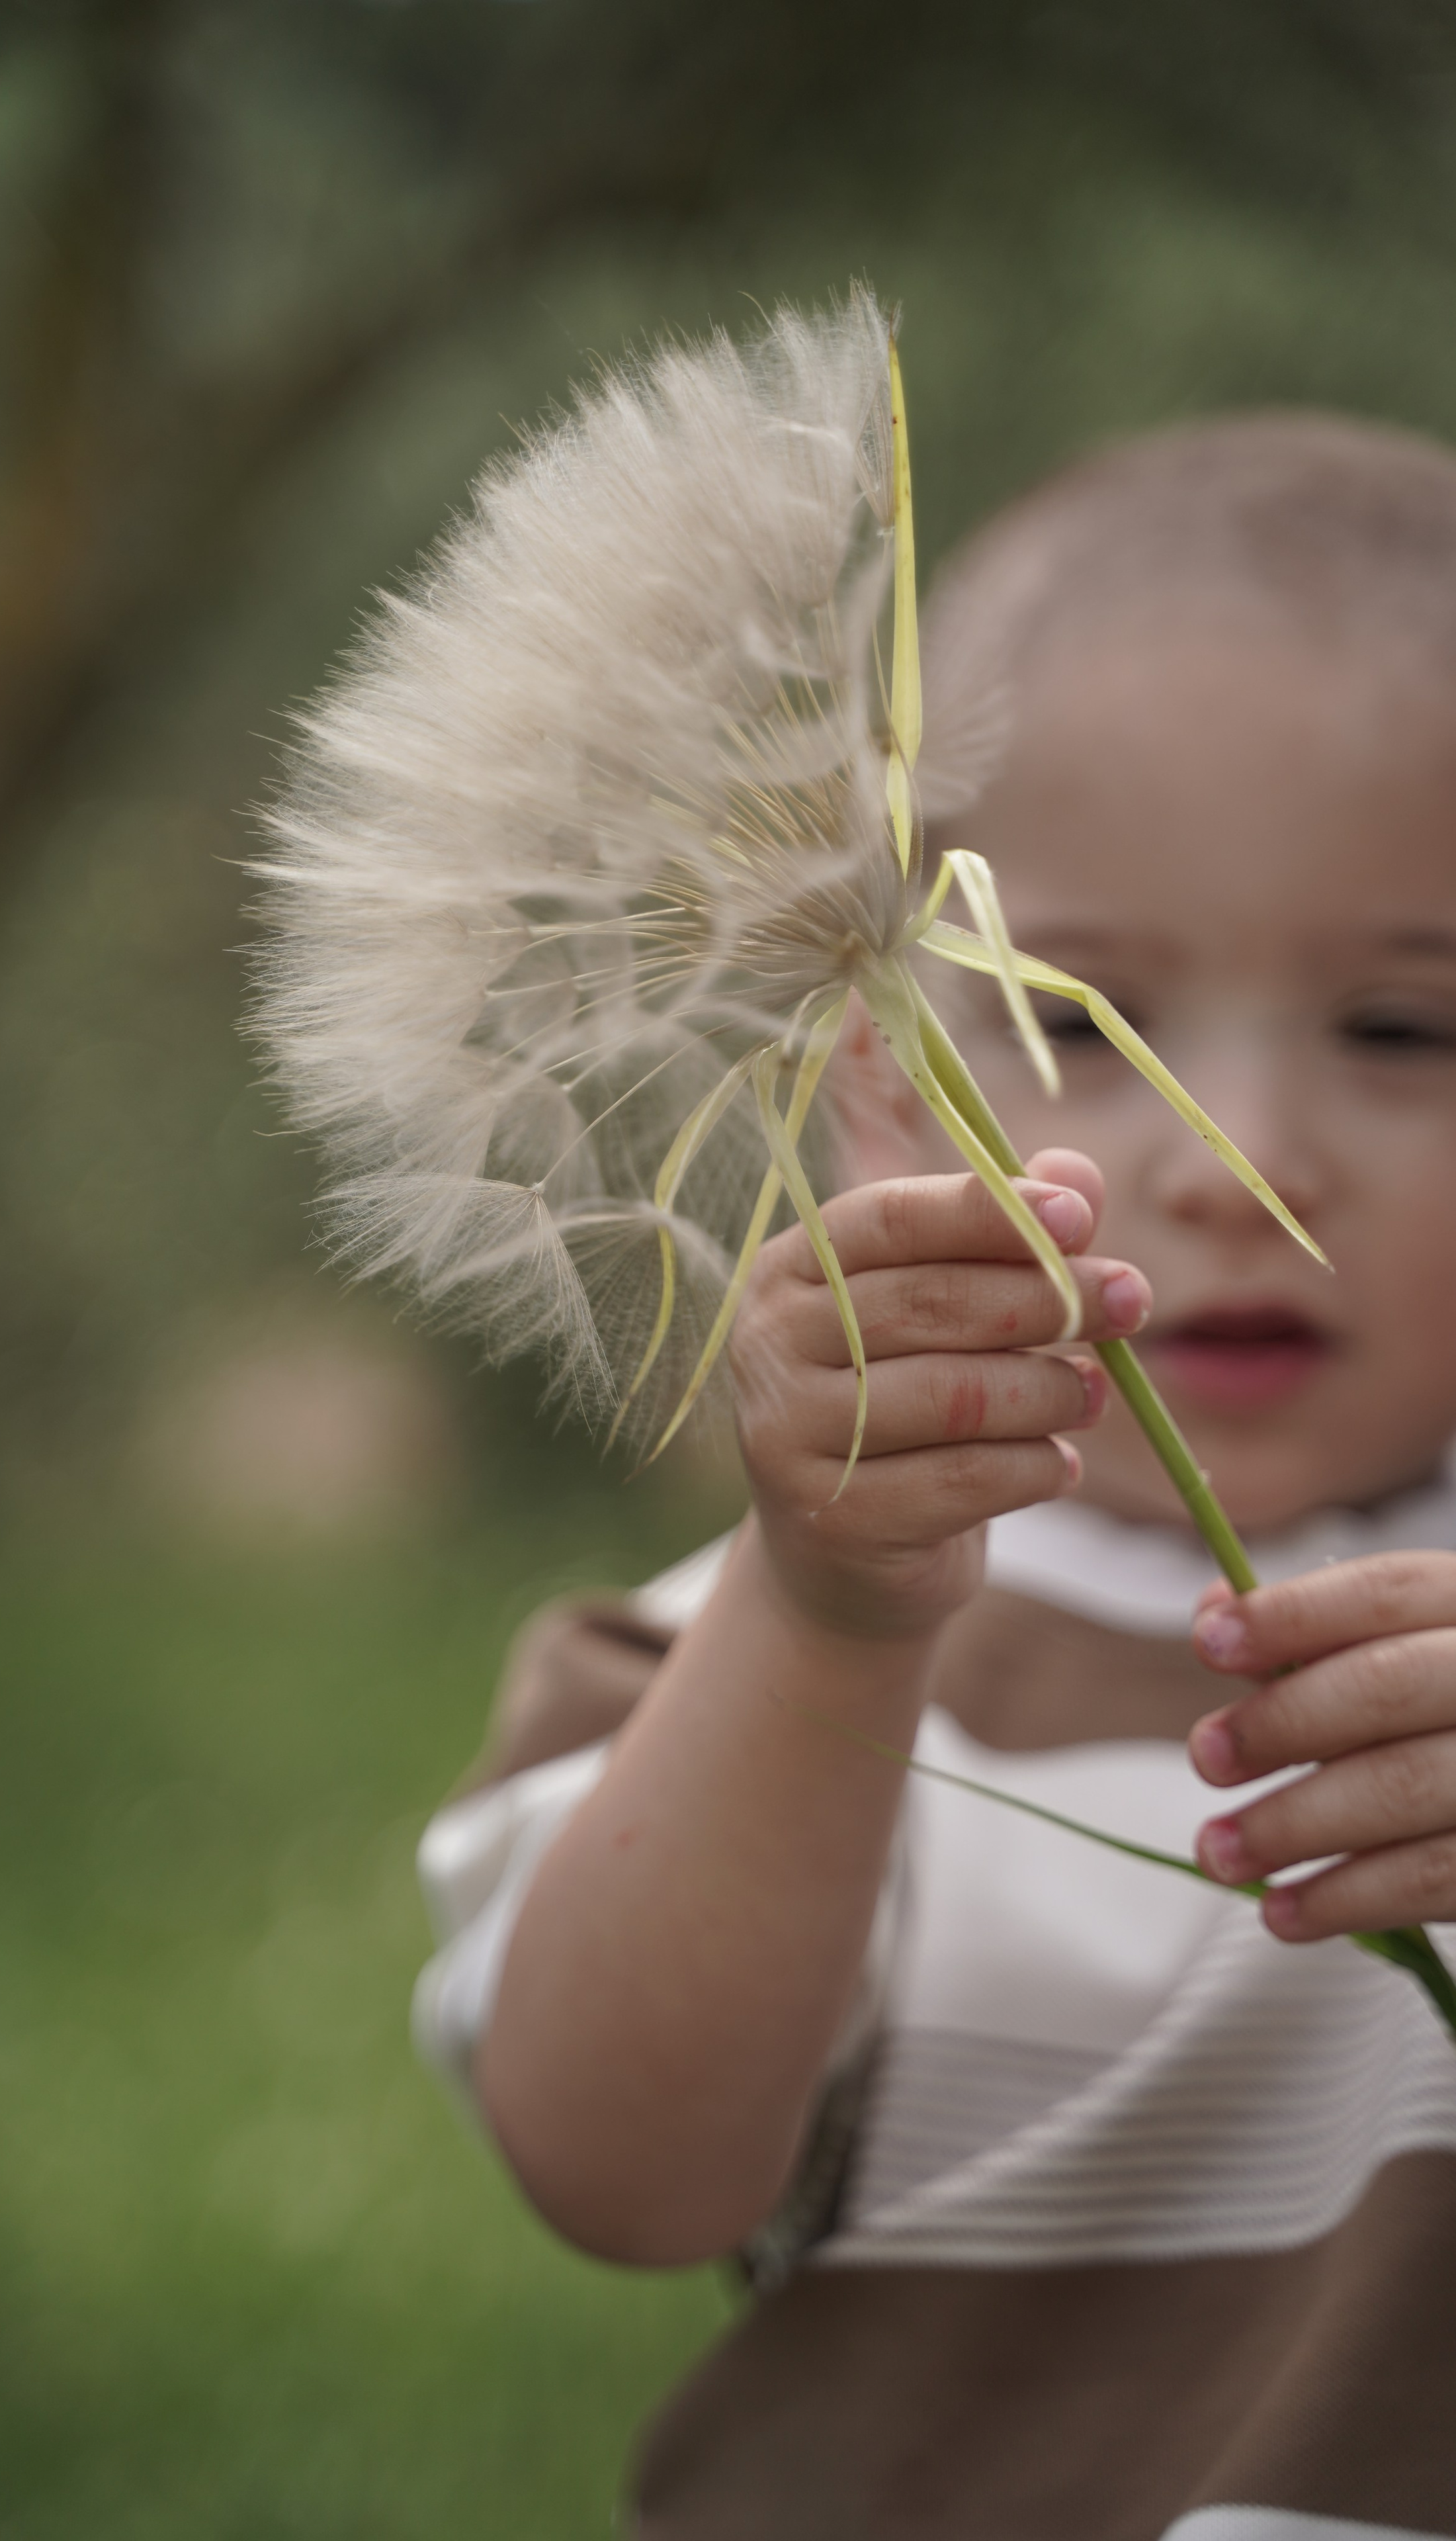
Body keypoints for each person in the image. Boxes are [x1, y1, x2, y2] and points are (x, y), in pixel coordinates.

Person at [413, 412, 1456, 2538]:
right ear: (887, 1089)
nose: (1233, 1160)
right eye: (1080, 1024)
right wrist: (822, 1626)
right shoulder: (763, 1651)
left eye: (1406, 1031)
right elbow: (620, 2170)